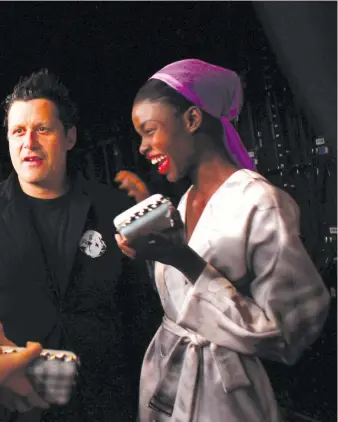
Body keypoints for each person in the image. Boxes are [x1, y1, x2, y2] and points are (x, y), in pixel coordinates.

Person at [116, 59, 331, 422]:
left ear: (192, 120)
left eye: (149, 130)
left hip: (225, 400)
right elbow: (184, 301)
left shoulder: (261, 203)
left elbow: (290, 334)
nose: (142, 147)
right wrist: (155, 254)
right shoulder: (183, 204)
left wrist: (184, 260)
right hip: (166, 384)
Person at [0, 69, 157, 422]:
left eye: (42, 129)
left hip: (107, 404)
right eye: (18, 132)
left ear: (69, 136)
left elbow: (141, 313)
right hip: (19, 410)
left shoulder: (111, 209)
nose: (29, 142)